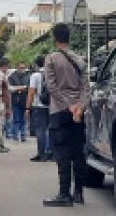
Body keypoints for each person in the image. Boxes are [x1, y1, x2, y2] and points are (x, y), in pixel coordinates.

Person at [43, 23, 90, 207]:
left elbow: (51, 87)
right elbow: (86, 88)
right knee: (78, 152)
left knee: (62, 153)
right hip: (78, 112)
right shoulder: (80, 60)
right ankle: (79, 193)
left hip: (59, 111)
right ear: (68, 38)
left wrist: (68, 105)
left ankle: (64, 194)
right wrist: (80, 107)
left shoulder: (51, 58)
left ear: (55, 39)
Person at [26, 55, 52, 162]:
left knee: (40, 130)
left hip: (39, 105)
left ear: (36, 64)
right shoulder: (52, 73)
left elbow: (31, 92)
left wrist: (28, 107)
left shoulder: (35, 75)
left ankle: (42, 154)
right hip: (52, 106)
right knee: (50, 130)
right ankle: (52, 153)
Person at [8, 61, 30, 142]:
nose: (22, 69)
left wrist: (20, 88)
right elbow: (10, 88)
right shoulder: (12, 76)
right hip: (16, 100)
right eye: (21, 68)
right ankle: (15, 135)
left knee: (24, 118)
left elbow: (29, 87)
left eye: (24, 68)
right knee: (16, 118)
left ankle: (23, 135)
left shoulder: (28, 76)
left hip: (25, 99)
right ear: (17, 68)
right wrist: (21, 88)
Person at [0, 57, 11, 153]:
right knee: (0, 126)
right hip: (2, 103)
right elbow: (7, 90)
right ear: (4, 66)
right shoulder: (2, 76)